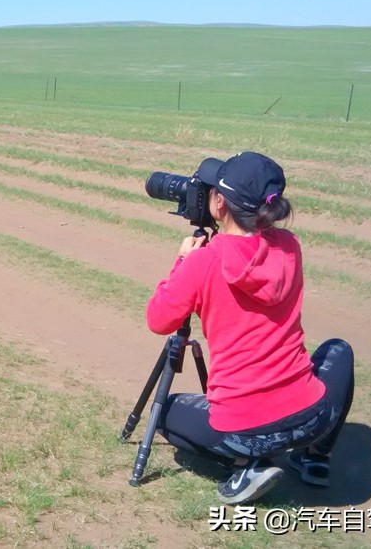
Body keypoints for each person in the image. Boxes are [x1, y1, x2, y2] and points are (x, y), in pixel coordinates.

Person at [145, 151, 354, 505]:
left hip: (242, 428)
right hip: (312, 417)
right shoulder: (289, 247)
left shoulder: (203, 262)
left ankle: (247, 465)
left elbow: (158, 320)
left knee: (163, 411)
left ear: (219, 201)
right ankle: (314, 457)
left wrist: (183, 261)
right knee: (339, 350)